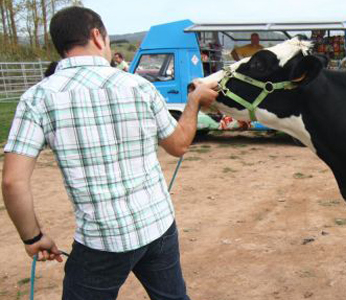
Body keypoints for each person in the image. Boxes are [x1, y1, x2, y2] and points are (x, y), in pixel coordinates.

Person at [2, 6, 217, 300]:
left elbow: (13, 181)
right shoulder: (140, 86)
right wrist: (193, 102)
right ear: (97, 36)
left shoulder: (37, 98)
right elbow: (178, 145)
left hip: (100, 240)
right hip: (158, 224)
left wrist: (34, 237)